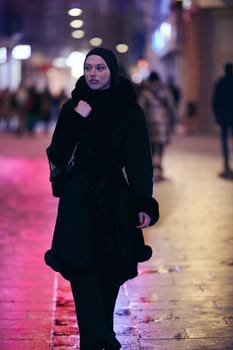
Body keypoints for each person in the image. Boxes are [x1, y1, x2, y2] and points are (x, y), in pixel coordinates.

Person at [44, 48, 159, 350]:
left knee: (109, 275)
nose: (93, 73)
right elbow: (56, 154)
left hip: (113, 201)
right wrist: (76, 121)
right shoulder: (74, 107)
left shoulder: (129, 111)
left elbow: (139, 161)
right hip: (78, 202)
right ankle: (97, 341)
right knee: (83, 275)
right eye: (89, 67)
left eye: (100, 68)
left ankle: (100, 336)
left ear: (112, 71)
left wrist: (143, 202)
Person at [138, 71, 176, 181]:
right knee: (160, 145)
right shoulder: (165, 91)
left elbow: (140, 108)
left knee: (150, 145)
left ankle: (152, 166)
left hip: (149, 123)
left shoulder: (145, 93)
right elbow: (171, 107)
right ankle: (159, 165)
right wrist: (174, 121)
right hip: (163, 123)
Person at [212, 62, 233, 179]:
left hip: (224, 116)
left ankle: (226, 163)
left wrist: (217, 115)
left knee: (224, 140)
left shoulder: (220, 83)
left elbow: (215, 101)